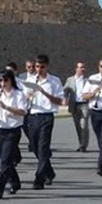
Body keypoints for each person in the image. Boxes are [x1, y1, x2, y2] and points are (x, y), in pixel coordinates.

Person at [0, 70, 29, 198]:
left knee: (5, 160)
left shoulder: (19, 95)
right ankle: (15, 182)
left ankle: (0, 187)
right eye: (0, 80)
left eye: (5, 80)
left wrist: (6, 107)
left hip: (12, 130)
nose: (3, 83)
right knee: (5, 160)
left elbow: (23, 112)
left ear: (11, 81)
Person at [25, 55, 64, 189]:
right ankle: (49, 172)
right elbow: (24, 99)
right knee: (35, 147)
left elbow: (60, 101)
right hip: (32, 115)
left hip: (46, 116)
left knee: (43, 148)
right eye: (37, 67)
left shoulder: (54, 81)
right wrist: (28, 97)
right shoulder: (30, 80)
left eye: (42, 67)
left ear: (47, 66)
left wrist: (44, 93)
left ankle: (39, 179)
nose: (39, 70)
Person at [64, 62, 90, 152]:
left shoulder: (87, 81)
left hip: (85, 105)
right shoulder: (70, 80)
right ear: (76, 69)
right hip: (74, 105)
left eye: (84, 67)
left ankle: (84, 145)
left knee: (84, 125)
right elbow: (65, 90)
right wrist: (64, 99)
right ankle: (81, 143)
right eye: (81, 67)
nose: (83, 69)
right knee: (78, 126)